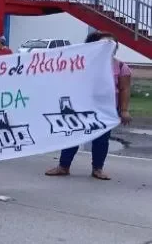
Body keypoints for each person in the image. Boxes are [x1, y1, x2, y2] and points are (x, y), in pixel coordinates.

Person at [45, 31, 132, 181]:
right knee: (73, 135)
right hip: (81, 108)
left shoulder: (121, 66)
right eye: (104, 44)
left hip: (105, 111)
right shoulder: (82, 63)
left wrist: (124, 110)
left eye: (112, 44)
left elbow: (124, 89)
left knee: (101, 140)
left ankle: (97, 169)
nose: (109, 47)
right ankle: (63, 166)